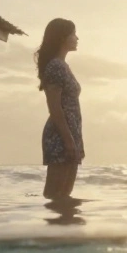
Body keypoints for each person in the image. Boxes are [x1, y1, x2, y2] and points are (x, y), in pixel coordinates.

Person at [34, 18, 83, 199]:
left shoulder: (62, 66)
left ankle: (64, 227)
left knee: (65, 197)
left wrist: (73, 138)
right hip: (61, 136)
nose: (77, 38)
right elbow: (54, 108)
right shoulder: (55, 66)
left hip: (70, 133)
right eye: (73, 34)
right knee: (55, 195)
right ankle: (50, 227)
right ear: (63, 38)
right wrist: (68, 140)